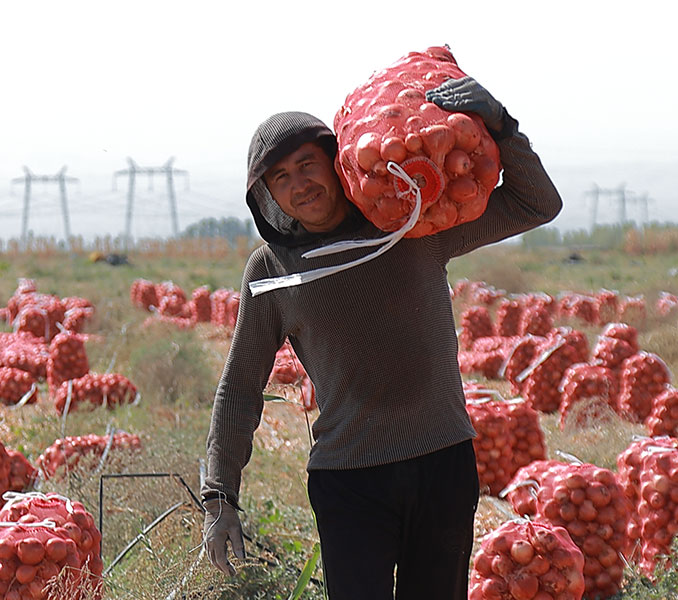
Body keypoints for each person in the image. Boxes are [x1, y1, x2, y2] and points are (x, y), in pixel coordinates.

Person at [200, 76, 561, 599]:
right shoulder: (272, 269)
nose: (299, 184)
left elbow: (536, 204)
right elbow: (238, 388)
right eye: (280, 178)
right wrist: (220, 500)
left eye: (306, 164)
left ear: (336, 161)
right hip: (349, 478)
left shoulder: (409, 226)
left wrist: (504, 126)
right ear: (266, 196)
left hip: (442, 461)